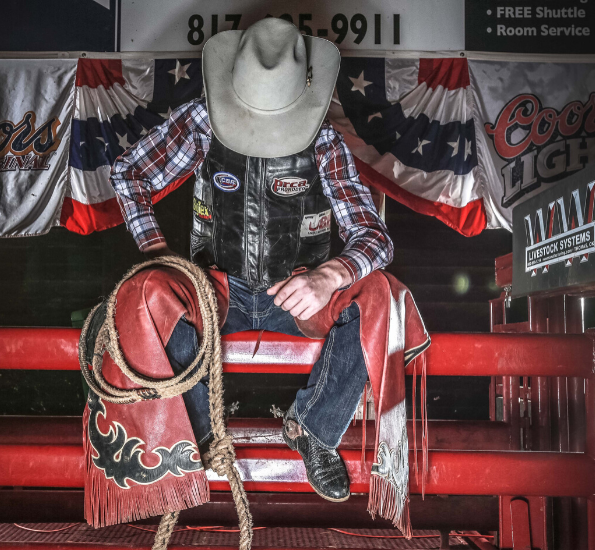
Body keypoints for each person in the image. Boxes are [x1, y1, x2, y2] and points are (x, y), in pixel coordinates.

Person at [109, 17, 393, 504]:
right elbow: (128, 174)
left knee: (379, 293)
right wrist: (159, 252)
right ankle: (194, 435)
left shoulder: (324, 142)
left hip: (298, 294)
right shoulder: (202, 120)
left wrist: (332, 274)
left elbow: (375, 237)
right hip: (216, 288)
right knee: (149, 293)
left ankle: (313, 429)